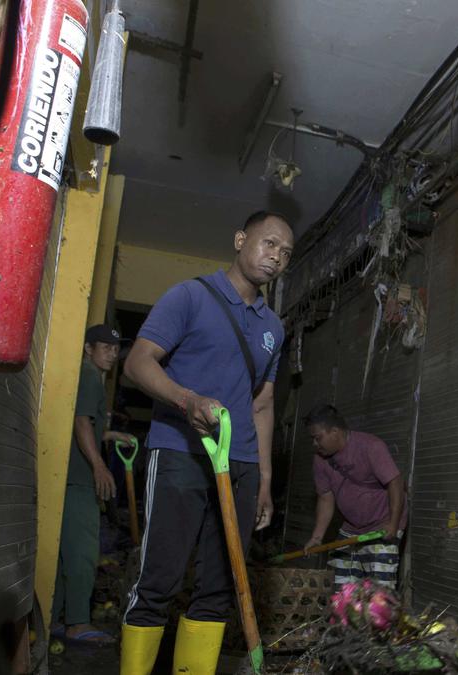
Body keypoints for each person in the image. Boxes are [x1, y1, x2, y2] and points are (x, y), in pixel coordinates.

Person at [119, 210, 294, 675]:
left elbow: (263, 404)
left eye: (285, 252)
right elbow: (137, 363)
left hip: (240, 465)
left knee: (219, 589)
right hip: (181, 453)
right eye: (269, 243)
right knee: (159, 580)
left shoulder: (273, 328)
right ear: (240, 240)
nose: (276, 257)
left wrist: (264, 479)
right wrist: (187, 399)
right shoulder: (190, 296)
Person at [52, 324, 136, 645]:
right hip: (80, 479)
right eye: (105, 348)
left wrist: (111, 435)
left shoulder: (88, 375)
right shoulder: (89, 376)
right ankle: (77, 623)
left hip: (70, 477)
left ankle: (57, 618)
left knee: (66, 553)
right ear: (88, 349)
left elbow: (87, 423)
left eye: (115, 349)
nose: (112, 354)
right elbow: (81, 422)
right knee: (83, 553)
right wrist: (99, 466)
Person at [301, 404, 407, 591]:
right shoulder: (320, 460)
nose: (315, 444)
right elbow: (325, 497)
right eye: (312, 439)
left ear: (335, 431)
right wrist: (317, 537)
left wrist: (393, 523)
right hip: (351, 528)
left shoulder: (371, 446)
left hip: (381, 526)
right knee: (342, 589)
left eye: (318, 438)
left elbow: (395, 483)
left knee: (380, 592)